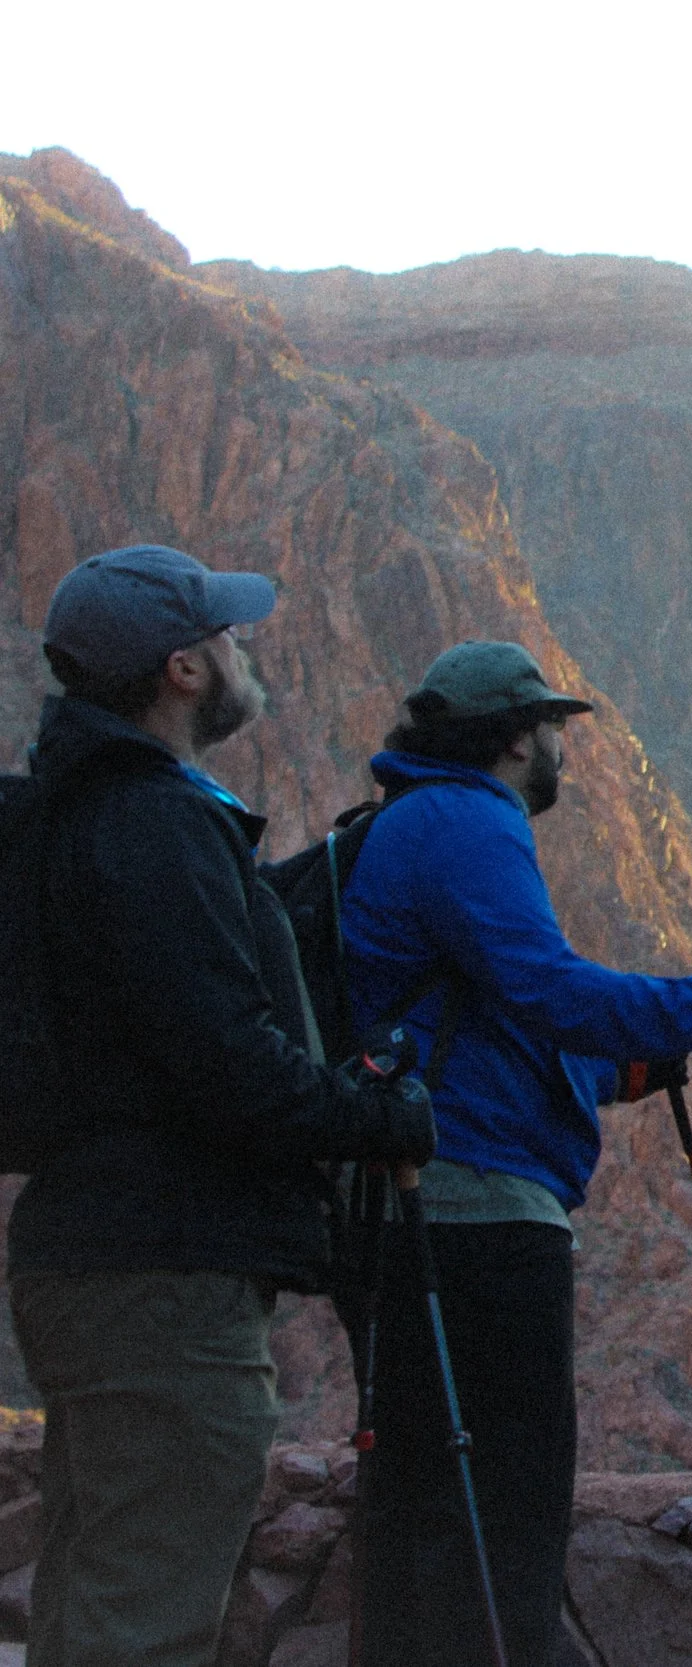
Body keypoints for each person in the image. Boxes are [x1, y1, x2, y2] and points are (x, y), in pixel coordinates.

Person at [339, 640, 692, 1667]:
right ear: (515, 735)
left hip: (429, 1202)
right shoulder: (468, 821)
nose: (562, 746)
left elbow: (501, 1029)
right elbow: (551, 990)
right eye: (552, 727)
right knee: (500, 1506)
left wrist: (629, 1070)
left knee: (427, 1507)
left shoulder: (418, 819)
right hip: (473, 1218)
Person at [13, 545, 436, 1667]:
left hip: (90, 1250)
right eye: (232, 636)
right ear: (185, 668)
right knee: (143, 1620)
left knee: (91, 1594)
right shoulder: (150, 822)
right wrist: (369, 1112)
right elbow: (227, 1064)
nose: (250, 651)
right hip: (165, 1269)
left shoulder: (74, 812)